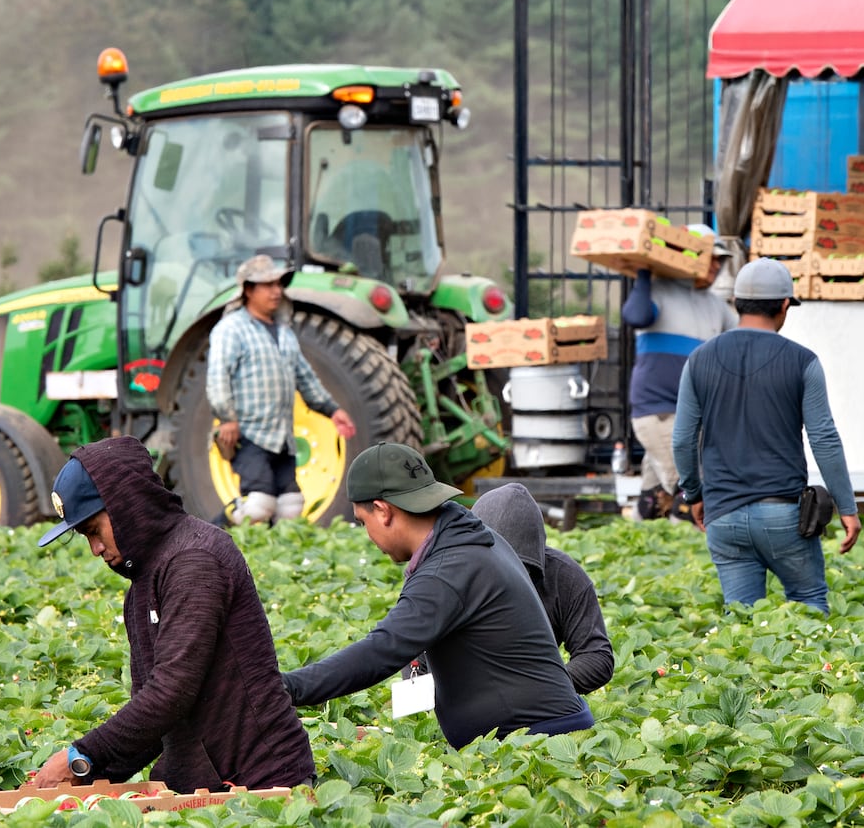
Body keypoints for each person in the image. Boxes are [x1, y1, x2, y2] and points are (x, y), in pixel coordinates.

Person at [31, 436, 316, 793]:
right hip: (199, 792)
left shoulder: (195, 560)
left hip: (262, 785)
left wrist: (82, 755)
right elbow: (153, 721)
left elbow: (172, 690)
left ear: (125, 506)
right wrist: (84, 777)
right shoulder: (142, 585)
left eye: (93, 531)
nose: (95, 549)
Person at [281, 442, 593, 748]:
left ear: (382, 510)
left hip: (539, 744)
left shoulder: (449, 569)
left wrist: (285, 688)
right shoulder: (473, 539)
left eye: (363, 522)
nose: (368, 535)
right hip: (535, 735)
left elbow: (381, 650)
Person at [672, 258, 861, 614]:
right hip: (784, 516)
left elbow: (682, 439)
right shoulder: (803, 361)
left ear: (736, 302)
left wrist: (694, 493)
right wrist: (846, 506)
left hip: (723, 517)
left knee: (742, 624)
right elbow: (824, 438)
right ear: (785, 305)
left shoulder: (698, 360)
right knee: (808, 605)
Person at [206, 254, 356, 525]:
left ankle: (272, 558)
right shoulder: (231, 329)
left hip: (282, 437)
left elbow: (305, 377)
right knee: (258, 505)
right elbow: (218, 377)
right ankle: (213, 533)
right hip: (249, 433)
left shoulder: (284, 333)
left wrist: (332, 410)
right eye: (268, 285)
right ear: (249, 290)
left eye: (279, 284)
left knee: (291, 508)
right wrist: (227, 418)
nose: (277, 291)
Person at [621, 243, 738, 520]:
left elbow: (741, 341)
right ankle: (688, 548)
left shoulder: (715, 306)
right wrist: (644, 274)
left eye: (719, 261)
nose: (715, 266)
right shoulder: (659, 292)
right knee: (691, 494)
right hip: (659, 411)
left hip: (691, 414)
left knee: (654, 500)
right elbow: (635, 316)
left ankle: (646, 532)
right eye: (710, 258)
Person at [472, 483, 614, 694]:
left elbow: (596, 656)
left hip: (539, 696)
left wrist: (540, 688)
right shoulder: (445, 575)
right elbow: (419, 658)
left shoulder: (564, 577)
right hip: (466, 695)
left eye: (518, 567)